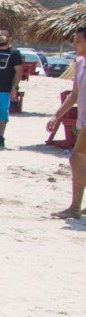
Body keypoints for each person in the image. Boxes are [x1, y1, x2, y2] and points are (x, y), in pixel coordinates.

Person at [47, 25, 86, 219]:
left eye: (79, 40)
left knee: (76, 158)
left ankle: (75, 207)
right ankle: (76, 206)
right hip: (83, 118)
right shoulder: (80, 63)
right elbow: (74, 95)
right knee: (79, 159)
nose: (74, 44)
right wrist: (57, 115)